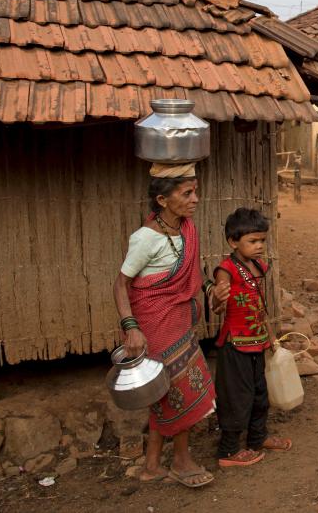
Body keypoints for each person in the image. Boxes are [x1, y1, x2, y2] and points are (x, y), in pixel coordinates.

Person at [112, 167, 215, 488]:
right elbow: (120, 285)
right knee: (178, 391)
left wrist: (213, 290)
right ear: (162, 200)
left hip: (179, 321)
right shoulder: (145, 238)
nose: (195, 199)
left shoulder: (186, 229)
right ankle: (181, 461)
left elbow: (194, 274)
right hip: (154, 325)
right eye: (186, 193)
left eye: (195, 191)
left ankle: (152, 465)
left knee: (163, 392)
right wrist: (131, 328)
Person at [210, 208, 292, 467]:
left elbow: (258, 302)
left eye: (262, 241)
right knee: (237, 397)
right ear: (233, 242)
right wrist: (218, 299)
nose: (259, 247)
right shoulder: (226, 270)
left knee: (259, 393)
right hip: (235, 345)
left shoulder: (256, 265)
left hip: (257, 341)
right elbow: (217, 305)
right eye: (252, 241)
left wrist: (270, 340)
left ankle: (258, 438)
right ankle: (228, 452)